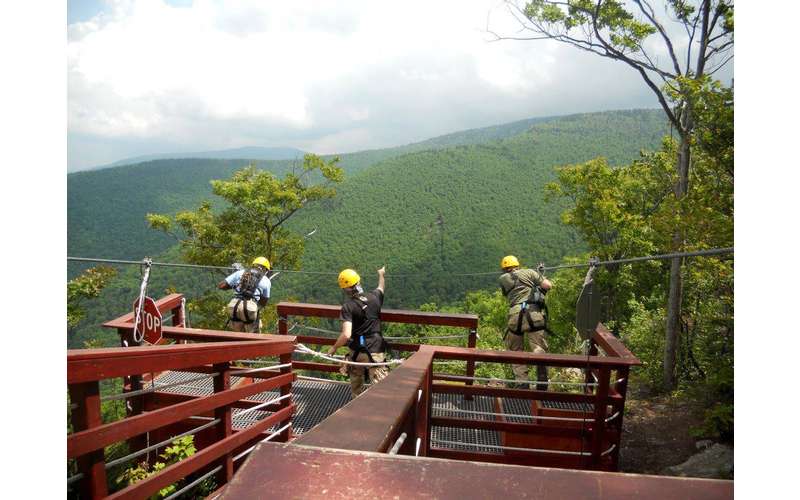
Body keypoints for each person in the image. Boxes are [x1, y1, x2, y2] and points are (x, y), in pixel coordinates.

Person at [328, 266, 388, 398]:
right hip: (375, 349)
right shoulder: (374, 297)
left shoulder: (348, 307)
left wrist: (334, 348)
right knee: (380, 390)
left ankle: (357, 408)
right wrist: (381, 274)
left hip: (356, 352)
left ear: (345, 289)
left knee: (356, 390)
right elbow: (381, 287)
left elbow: (346, 334)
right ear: (359, 282)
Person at [498, 255, 552, 390]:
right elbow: (547, 285)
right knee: (538, 347)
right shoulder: (529, 272)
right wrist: (538, 275)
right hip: (534, 314)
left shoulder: (502, 279)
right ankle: (542, 377)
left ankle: (522, 382)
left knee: (516, 350)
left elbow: (506, 294)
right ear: (518, 265)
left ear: (504, 269)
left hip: (515, 316)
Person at [218, 257, 272, 333]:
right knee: (253, 336)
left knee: (237, 335)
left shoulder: (240, 272)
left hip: (234, 306)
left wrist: (234, 286)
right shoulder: (266, 280)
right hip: (250, 308)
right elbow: (264, 302)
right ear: (265, 269)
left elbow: (221, 285)